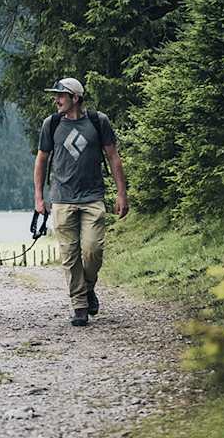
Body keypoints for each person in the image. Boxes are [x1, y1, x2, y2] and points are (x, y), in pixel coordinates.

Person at [33, 77, 129, 326]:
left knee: (93, 251)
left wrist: (121, 194)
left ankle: (87, 289)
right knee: (69, 254)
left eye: (61, 96)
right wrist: (39, 197)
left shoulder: (98, 121)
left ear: (75, 98)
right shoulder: (51, 124)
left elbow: (113, 158)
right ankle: (79, 305)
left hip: (92, 197)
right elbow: (41, 160)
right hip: (62, 199)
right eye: (56, 96)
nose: (56, 100)